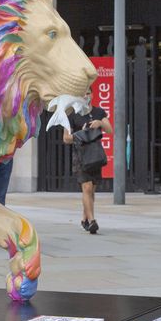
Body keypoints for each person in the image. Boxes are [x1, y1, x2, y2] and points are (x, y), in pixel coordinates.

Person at [64, 90, 113, 234]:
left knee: (92, 190)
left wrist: (99, 123)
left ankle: (85, 219)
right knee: (86, 187)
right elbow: (66, 138)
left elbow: (109, 130)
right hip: (80, 155)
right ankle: (92, 221)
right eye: (82, 94)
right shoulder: (72, 115)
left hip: (95, 155)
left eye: (88, 93)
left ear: (92, 95)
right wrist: (82, 134)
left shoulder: (98, 112)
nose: (85, 96)